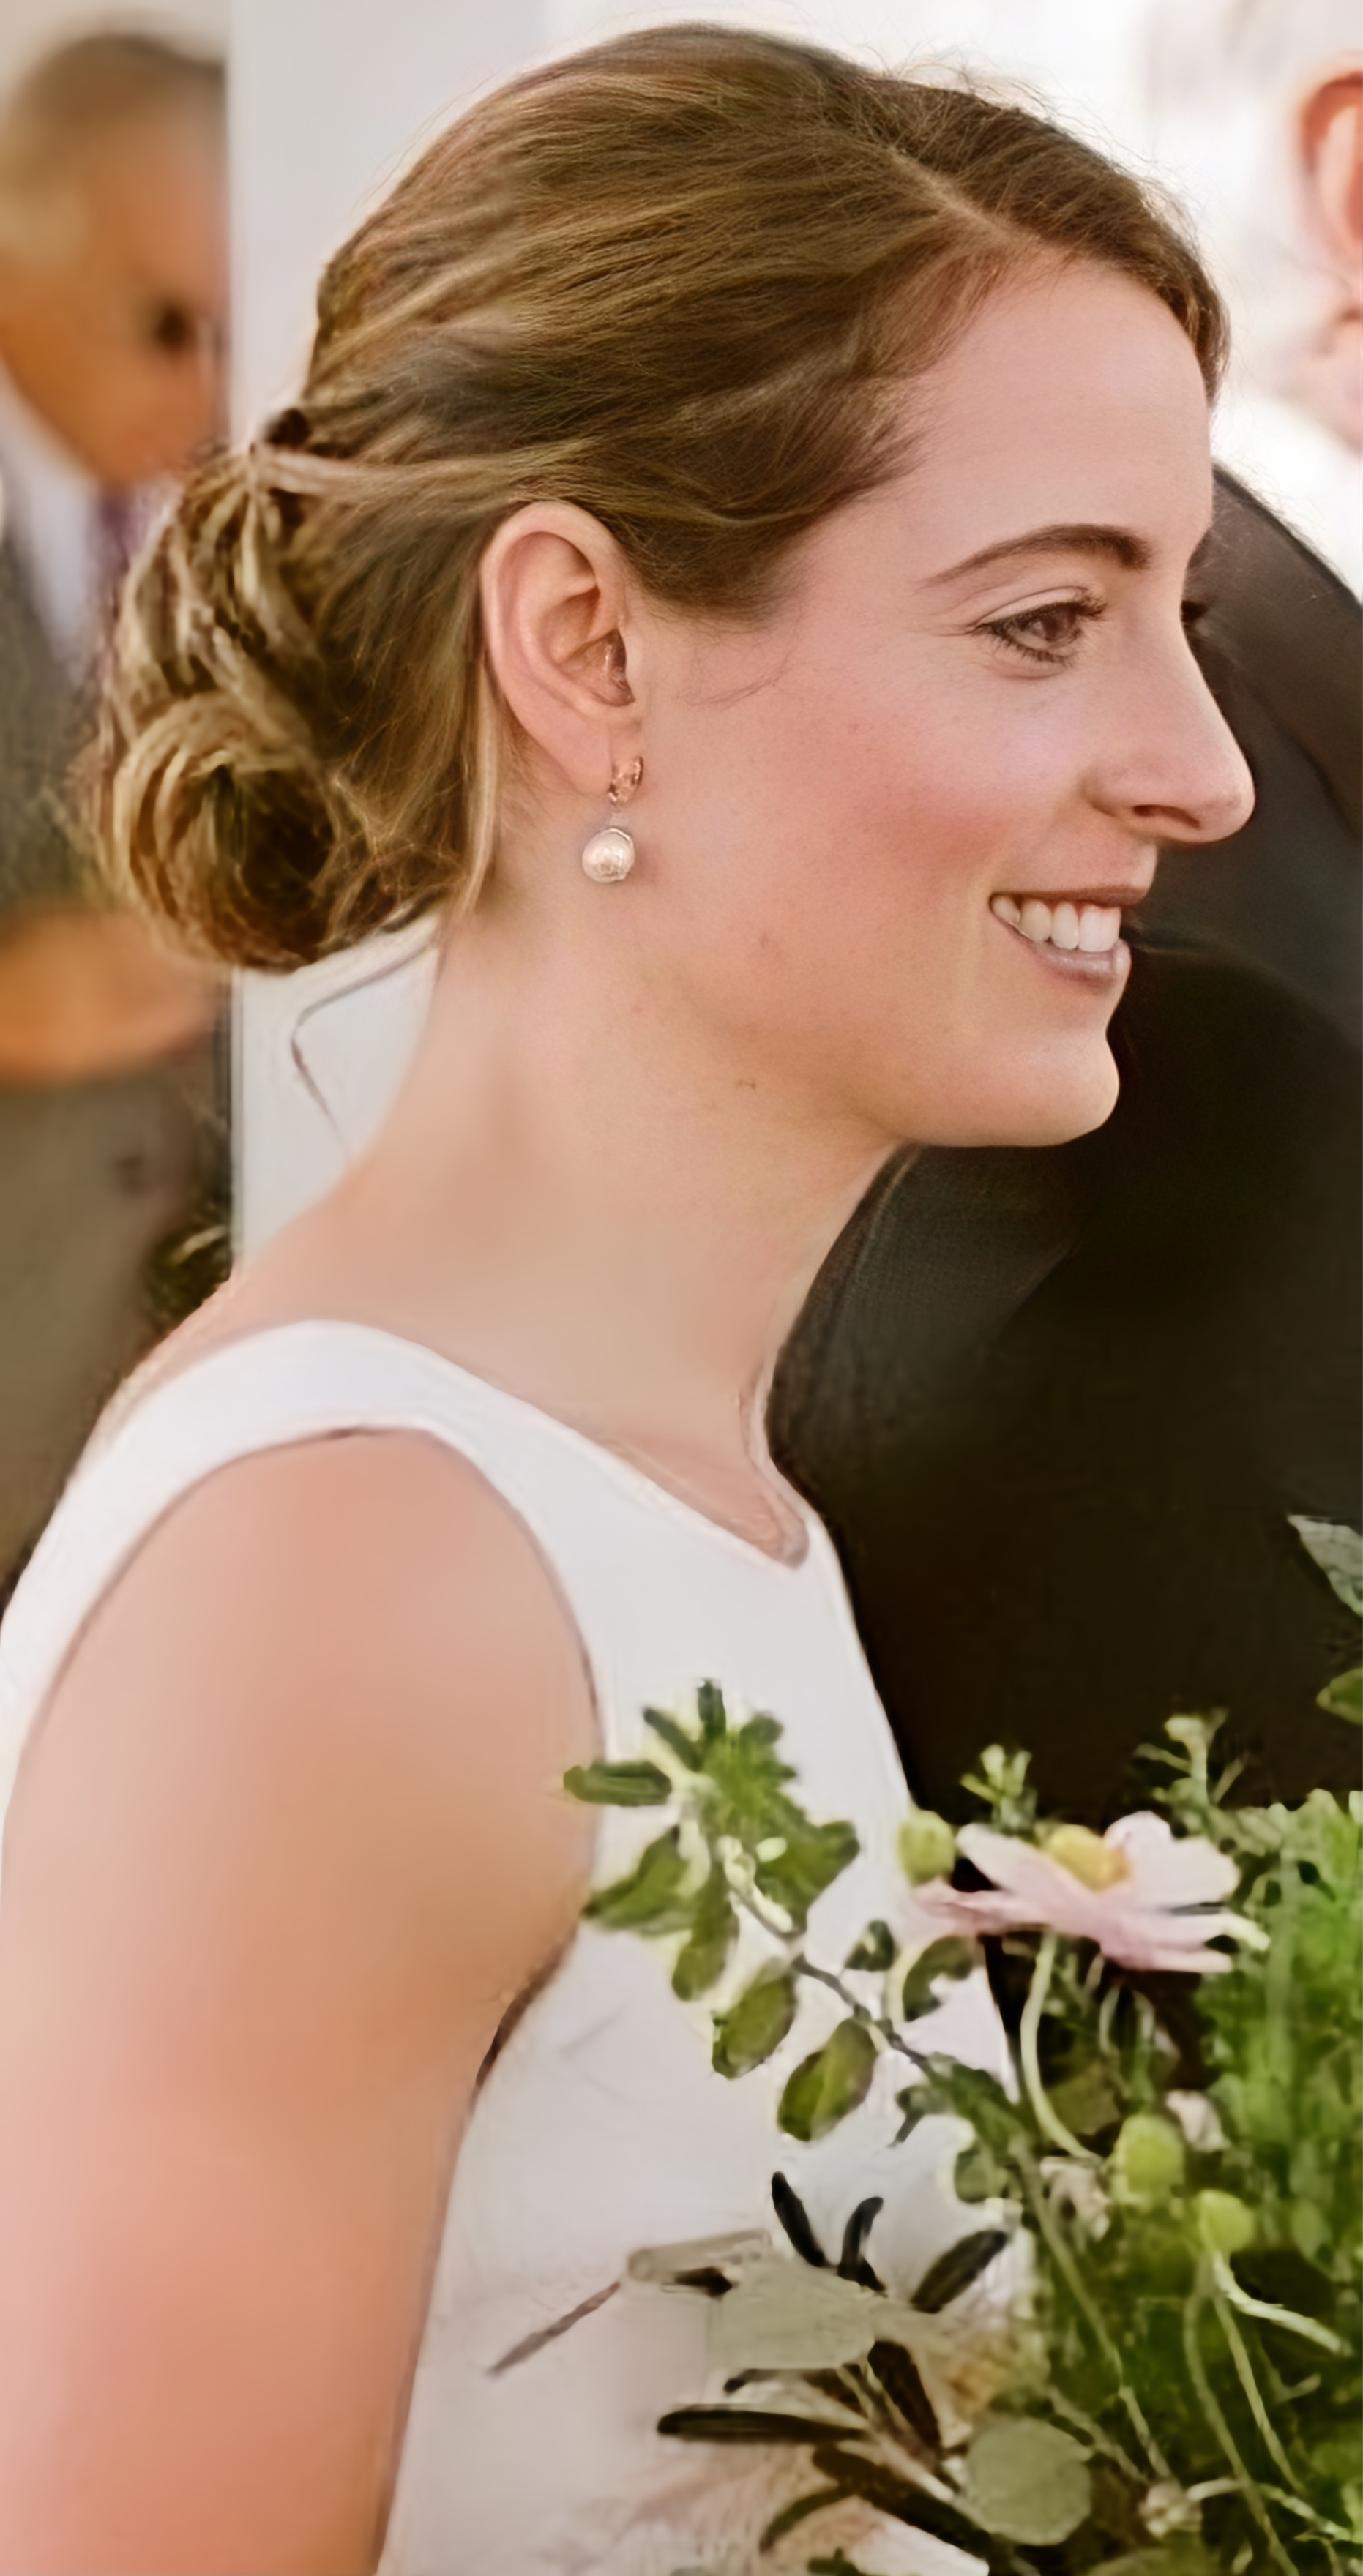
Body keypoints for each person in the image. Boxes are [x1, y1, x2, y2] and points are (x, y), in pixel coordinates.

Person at [0, 30, 1254, 2572]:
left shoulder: (683, 1501)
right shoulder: (352, 1578)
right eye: (1043, 621)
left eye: (1177, 618)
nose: (1201, 768)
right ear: (586, 646)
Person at [0, 31, 226, 1598]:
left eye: (237, 324)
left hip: (157, 1420)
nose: (211, 384)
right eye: (166, 324)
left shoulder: (224, 535)